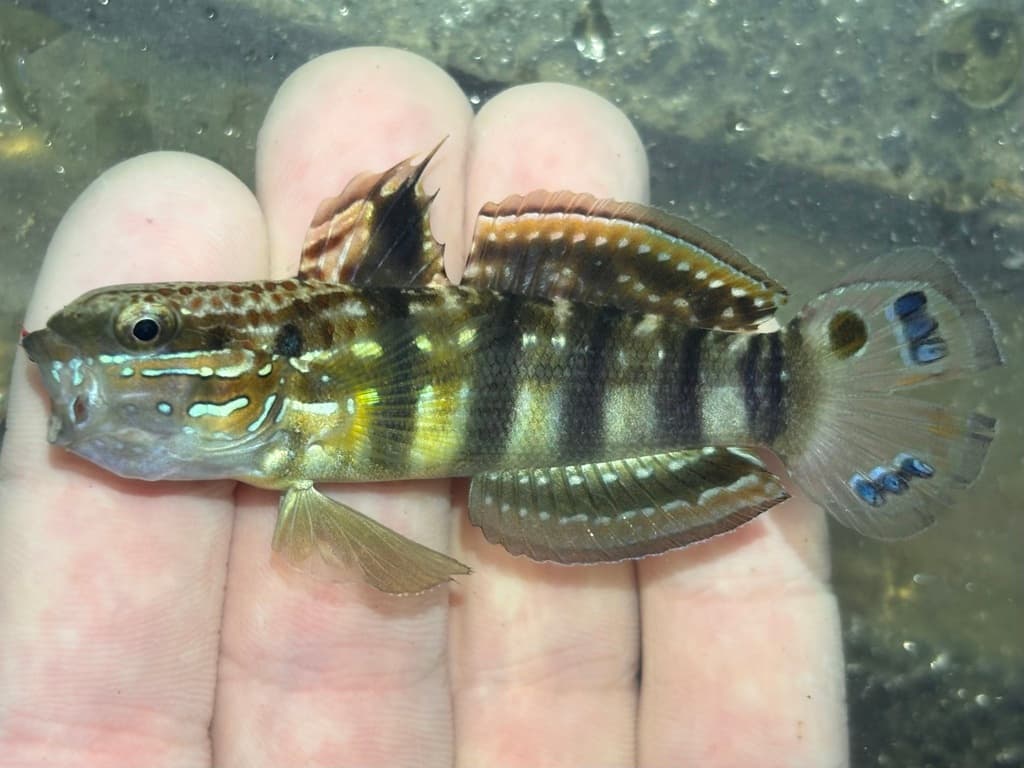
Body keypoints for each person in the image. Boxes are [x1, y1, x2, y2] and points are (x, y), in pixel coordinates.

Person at [0, 48, 848, 767]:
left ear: (264, 358)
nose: (115, 355)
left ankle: (792, 385)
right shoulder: (276, 430)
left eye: (145, 330)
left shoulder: (293, 410)